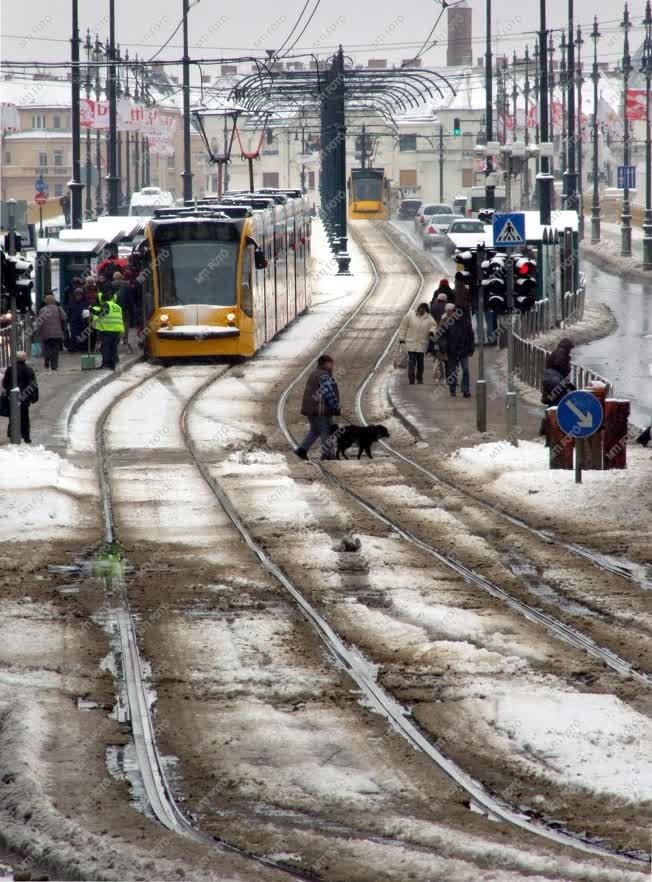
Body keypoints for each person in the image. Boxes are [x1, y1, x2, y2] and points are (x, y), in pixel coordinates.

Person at [294, 353, 341, 461]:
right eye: (331, 364)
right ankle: (327, 454)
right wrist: (335, 406)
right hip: (321, 410)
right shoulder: (324, 375)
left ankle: (302, 450)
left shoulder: (314, 373)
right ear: (326, 364)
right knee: (326, 430)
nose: (332, 366)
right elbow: (328, 392)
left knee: (315, 431)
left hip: (312, 409)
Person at [541, 337, 577, 438]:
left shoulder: (557, 352)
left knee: (552, 406)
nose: (570, 351)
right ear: (567, 347)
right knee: (560, 405)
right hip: (556, 384)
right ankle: (556, 430)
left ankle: (546, 430)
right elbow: (560, 365)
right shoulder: (561, 353)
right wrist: (567, 368)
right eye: (570, 349)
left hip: (552, 383)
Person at [2, 351, 38, 444]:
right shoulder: (29, 370)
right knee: (25, 418)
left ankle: (12, 435)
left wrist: (9, 390)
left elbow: (5, 383)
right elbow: (33, 385)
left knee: (12, 417)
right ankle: (26, 437)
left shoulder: (10, 369)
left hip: (12, 398)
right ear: (25, 359)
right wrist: (33, 398)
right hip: (24, 398)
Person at [440, 303, 474, 397]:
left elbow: (471, 336)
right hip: (452, 351)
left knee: (466, 370)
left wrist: (471, 349)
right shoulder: (447, 323)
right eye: (456, 312)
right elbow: (442, 336)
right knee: (452, 371)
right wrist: (443, 348)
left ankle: (465, 390)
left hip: (464, 351)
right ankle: (452, 389)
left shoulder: (466, 322)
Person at [398, 302, 438, 385]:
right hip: (410, 343)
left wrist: (431, 332)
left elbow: (434, 326)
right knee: (411, 362)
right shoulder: (410, 315)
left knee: (420, 363)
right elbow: (403, 327)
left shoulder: (429, 318)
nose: (421, 310)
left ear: (426, 310)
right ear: (418, 308)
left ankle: (419, 378)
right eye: (420, 308)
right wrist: (402, 339)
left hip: (422, 344)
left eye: (423, 309)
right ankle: (411, 379)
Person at [91, 289, 124, 370]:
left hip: (108, 330)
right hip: (117, 330)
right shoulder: (117, 306)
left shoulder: (106, 305)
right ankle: (112, 365)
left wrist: (91, 309)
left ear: (102, 300)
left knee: (105, 348)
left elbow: (101, 314)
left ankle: (105, 364)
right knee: (113, 348)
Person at [37, 293, 67, 371]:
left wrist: (39, 332)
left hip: (45, 333)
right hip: (57, 333)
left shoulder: (42, 310)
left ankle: (47, 362)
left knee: (46, 348)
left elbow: (39, 322)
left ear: (46, 301)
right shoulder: (58, 308)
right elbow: (64, 318)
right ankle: (54, 365)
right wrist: (63, 330)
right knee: (55, 349)